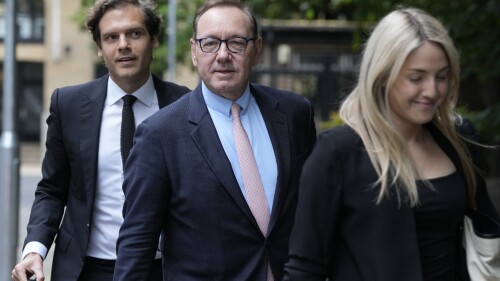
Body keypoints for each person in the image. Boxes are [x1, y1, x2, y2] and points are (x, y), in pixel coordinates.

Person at [283, 7, 500, 281]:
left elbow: (488, 232)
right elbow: (305, 269)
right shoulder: (337, 153)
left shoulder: (460, 141)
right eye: (416, 78)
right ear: (383, 75)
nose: (432, 91)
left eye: (442, 76)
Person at [112, 0, 317, 280]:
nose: (223, 55)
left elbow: (314, 214)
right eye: (209, 43)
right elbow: (137, 245)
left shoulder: (295, 114)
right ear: (194, 51)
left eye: (236, 42)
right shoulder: (159, 134)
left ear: (256, 50)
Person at [11, 0, 189, 280]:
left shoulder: (184, 104)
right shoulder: (67, 104)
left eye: (134, 34)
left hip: (164, 269)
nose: (123, 45)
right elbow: (52, 190)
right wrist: (35, 249)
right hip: (88, 269)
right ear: (99, 47)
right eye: (111, 37)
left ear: (154, 39)